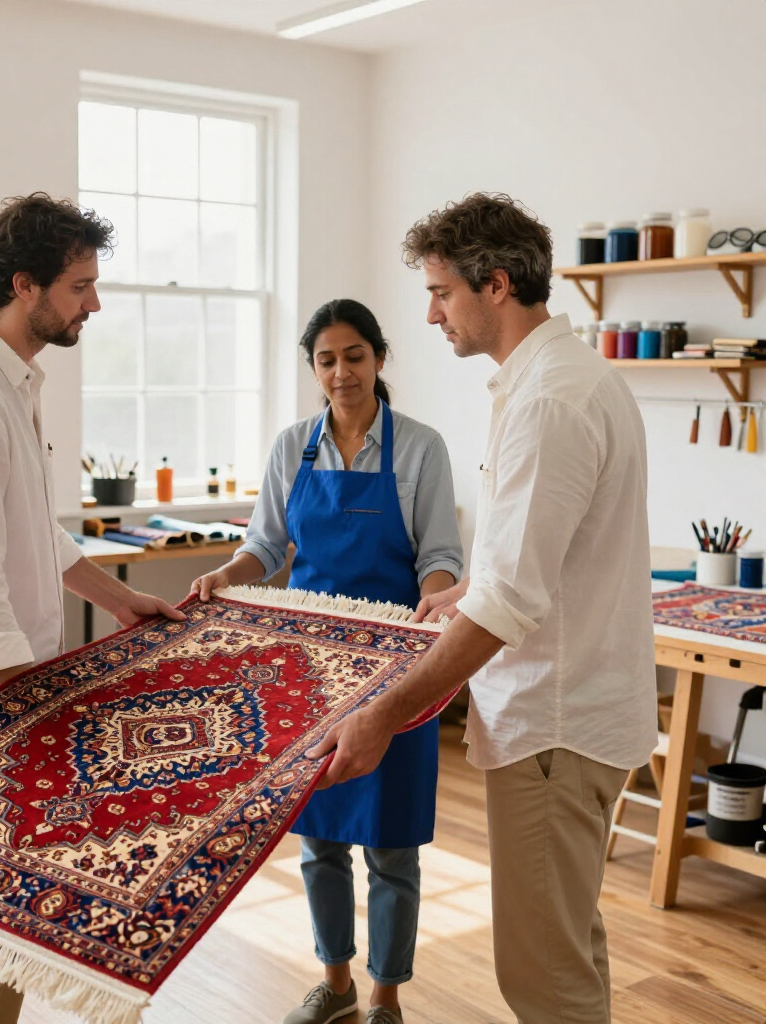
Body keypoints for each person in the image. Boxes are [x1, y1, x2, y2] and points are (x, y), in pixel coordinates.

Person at [309, 195, 659, 1024]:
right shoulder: (556, 381)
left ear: (495, 285)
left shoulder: (548, 403)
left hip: (556, 728)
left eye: (441, 292)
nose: (431, 314)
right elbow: (530, 557)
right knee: (567, 947)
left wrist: (384, 715)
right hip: (569, 721)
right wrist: (461, 592)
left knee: (541, 979)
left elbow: (511, 604)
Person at [0, 193, 183, 1024]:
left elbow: (31, 535)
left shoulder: (9, 383)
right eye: (81, 285)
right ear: (25, 285)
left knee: (3, 933)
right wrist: (51, 705)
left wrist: (120, 600)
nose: (95, 302)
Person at [191, 298, 463, 1024]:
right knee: (318, 841)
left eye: (355, 356)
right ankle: (337, 985)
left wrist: (439, 603)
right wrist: (227, 575)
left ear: (379, 359)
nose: (341, 372)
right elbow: (269, 549)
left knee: (393, 846)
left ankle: (385, 997)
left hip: (398, 672)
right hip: (308, 674)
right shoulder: (291, 448)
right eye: (326, 360)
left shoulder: (420, 448)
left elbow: (439, 556)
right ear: (313, 368)